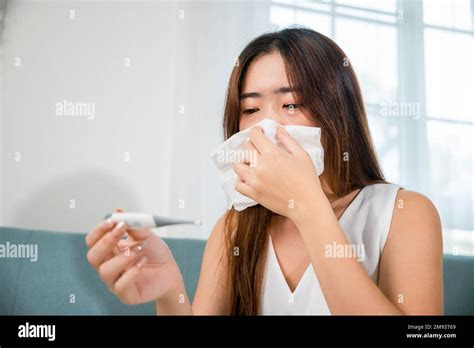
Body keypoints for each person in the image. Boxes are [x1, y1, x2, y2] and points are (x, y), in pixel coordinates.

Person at [85, 27, 443, 315]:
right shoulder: (235, 226)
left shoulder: (404, 213)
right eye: (251, 109)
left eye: (290, 104)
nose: (266, 126)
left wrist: (307, 207)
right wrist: (168, 292)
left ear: (338, 110)